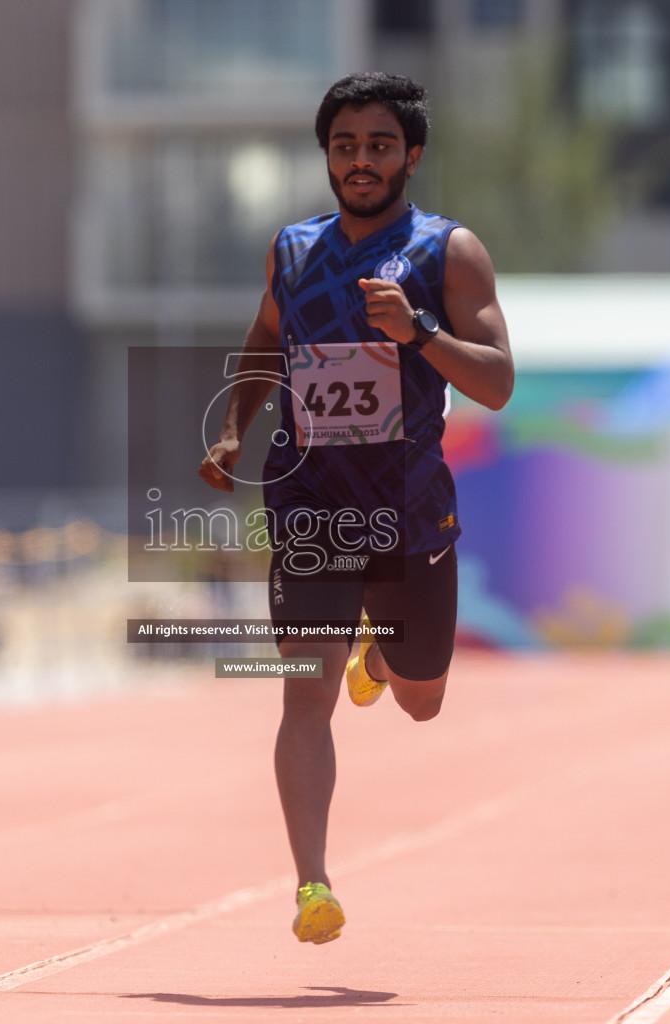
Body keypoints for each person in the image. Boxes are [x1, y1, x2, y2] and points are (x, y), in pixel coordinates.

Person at [198, 73, 512, 944]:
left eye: (378, 146)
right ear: (327, 156)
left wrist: (420, 333)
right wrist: (232, 429)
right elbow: (265, 340)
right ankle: (312, 884)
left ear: (411, 155)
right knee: (306, 693)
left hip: (409, 508)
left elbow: (496, 382)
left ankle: (387, 650)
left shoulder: (448, 252)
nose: (360, 161)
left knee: (421, 702)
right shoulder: (291, 250)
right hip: (309, 496)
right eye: (345, 146)